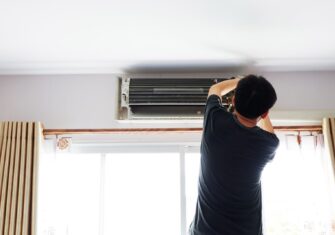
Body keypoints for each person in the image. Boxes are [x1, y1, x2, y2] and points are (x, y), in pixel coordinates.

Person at [189, 75, 279, 235]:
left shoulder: (216, 121)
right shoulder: (268, 144)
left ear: (233, 101)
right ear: (264, 113)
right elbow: (269, 132)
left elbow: (215, 89)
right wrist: (262, 108)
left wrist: (241, 81)